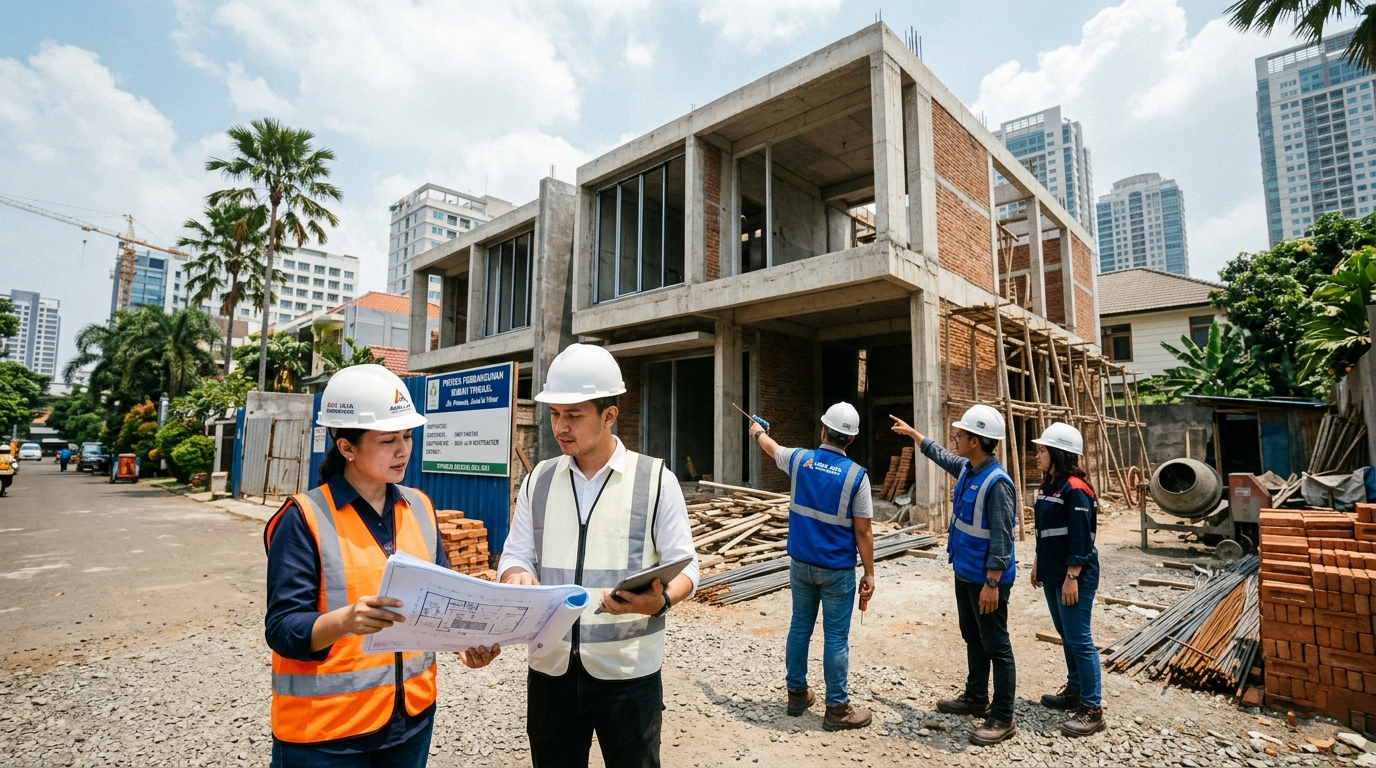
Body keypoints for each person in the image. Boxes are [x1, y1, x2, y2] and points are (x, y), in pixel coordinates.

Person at [263, 364, 499, 767]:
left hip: (409, 723)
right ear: (347, 448)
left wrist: (462, 643)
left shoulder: (420, 508)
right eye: (388, 439)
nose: (404, 450)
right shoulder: (303, 518)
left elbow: (437, 603)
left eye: (407, 436)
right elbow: (283, 629)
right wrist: (345, 621)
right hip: (325, 735)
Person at [498, 343, 699, 768]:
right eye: (555, 414)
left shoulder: (655, 480)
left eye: (574, 415)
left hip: (627, 674)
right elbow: (516, 554)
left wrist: (661, 600)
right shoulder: (539, 480)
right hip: (549, 670)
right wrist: (515, 575)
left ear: (609, 415)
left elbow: (687, 565)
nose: (560, 427)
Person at [891, 405, 1018, 746]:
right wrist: (915, 435)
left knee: (997, 646)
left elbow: (1003, 539)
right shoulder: (968, 468)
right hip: (965, 572)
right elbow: (942, 456)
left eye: (961, 435)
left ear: (976, 441)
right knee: (972, 636)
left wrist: (992, 582)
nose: (956, 439)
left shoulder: (997, 483)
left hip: (986, 580)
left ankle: (1003, 716)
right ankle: (976, 697)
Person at [748, 401, 875, 730]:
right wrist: (870, 572)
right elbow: (863, 530)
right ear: (851, 440)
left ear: (823, 431)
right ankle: (836, 710)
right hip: (836, 571)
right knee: (835, 637)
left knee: (800, 627)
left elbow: (770, 446)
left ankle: (797, 694)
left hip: (801, 564)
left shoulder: (801, 459)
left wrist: (758, 431)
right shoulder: (856, 477)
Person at [1029, 422, 1105, 737]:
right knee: (1066, 633)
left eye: (1043, 450)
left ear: (1059, 453)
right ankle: (1075, 690)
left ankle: (1092, 708)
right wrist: (1038, 562)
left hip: (1073, 575)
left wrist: (1072, 575)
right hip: (1052, 572)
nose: (1037, 455)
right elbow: (1045, 531)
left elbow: (1081, 538)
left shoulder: (1076, 488)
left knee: (1079, 638)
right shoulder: (1050, 486)